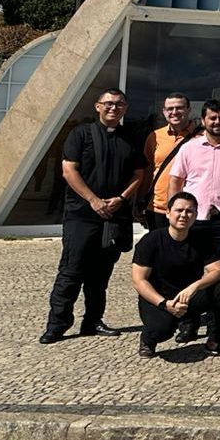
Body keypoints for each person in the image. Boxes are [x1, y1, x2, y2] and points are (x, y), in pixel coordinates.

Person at [40, 88, 145, 344]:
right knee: (71, 271)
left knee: (100, 274)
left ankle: (93, 320)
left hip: (114, 217)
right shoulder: (81, 134)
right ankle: (57, 324)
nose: (113, 108)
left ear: (125, 108)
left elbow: (139, 173)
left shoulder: (130, 137)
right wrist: (93, 200)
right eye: (108, 103)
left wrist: (122, 199)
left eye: (119, 104)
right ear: (97, 106)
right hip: (81, 215)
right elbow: (69, 171)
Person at [129, 191, 220, 358]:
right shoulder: (151, 241)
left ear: (195, 215)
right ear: (168, 213)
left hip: (188, 296)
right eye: (179, 210)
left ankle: (217, 340)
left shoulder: (200, 240)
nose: (184, 215)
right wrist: (164, 304)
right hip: (159, 298)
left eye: (189, 211)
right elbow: (139, 280)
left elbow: (219, 271)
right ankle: (148, 339)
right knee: (162, 329)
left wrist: (195, 286)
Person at [167, 100, 220, 274]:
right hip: (192, 219)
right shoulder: (188, 148)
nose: (217, 122)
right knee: (188, 271)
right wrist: (174, 214)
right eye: (212, 118)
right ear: (203, 120)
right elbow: (175, 181)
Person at [139, 93, 197, 230]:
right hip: (157, 208)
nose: (174, 112)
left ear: (188, 110)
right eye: (170, 109)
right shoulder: (154, 136)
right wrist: (139, 201)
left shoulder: (201, 137)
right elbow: (148, 172)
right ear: (164, 112)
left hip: (188, 210)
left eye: (179, 108)